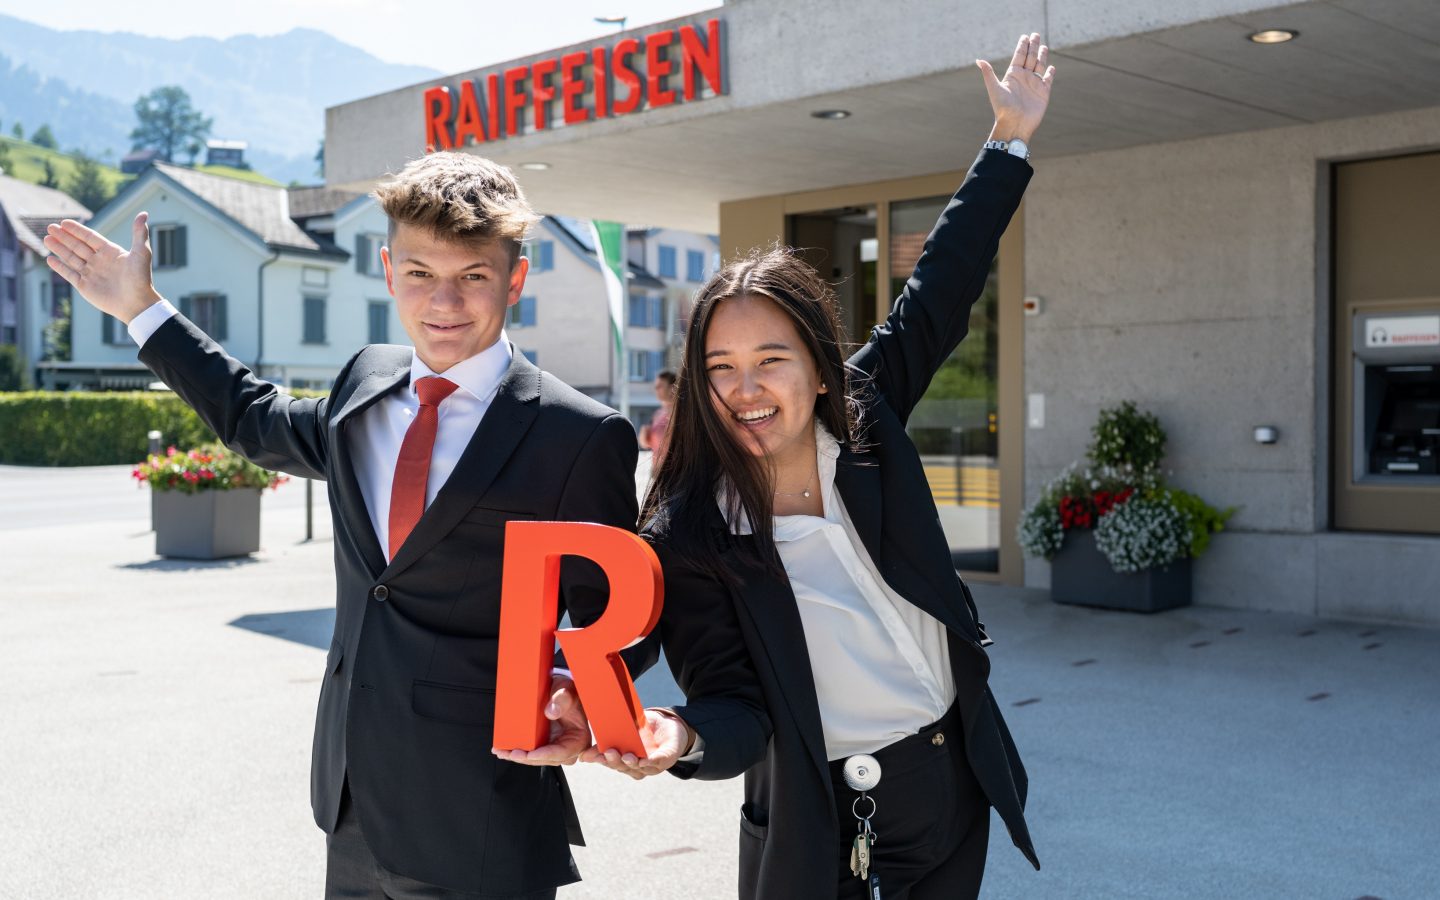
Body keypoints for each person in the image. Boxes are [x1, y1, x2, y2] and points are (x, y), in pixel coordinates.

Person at [43, 152, 766, 899]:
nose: (443, 300)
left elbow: (618, 621)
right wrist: (143, 311)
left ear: (514, 280)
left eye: (473, 277)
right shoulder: (364, 384)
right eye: (420, 273)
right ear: (389, 271)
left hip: (482, 813)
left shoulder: (579, 437)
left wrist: (563, 690)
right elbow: (254, 419)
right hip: (351, 799)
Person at [589, 33, 1056, 900]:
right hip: (822, 810)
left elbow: (940, 288)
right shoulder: (693, 528)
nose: (745, 390)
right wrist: (679, 737)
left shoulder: (868, 411)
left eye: (771, 359)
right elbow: (733, 701)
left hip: (952, 780)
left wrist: (1008, 139)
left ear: (816, 360)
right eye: (720, 368)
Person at [639, 369, 677, 467]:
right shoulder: (658, 414)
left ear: (672, 387)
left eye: (660, 386)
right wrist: (644, 436)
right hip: (658, 471)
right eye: (656, 386)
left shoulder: (681, 413)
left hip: (675, 472)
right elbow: (647, 443)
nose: (656, 389)